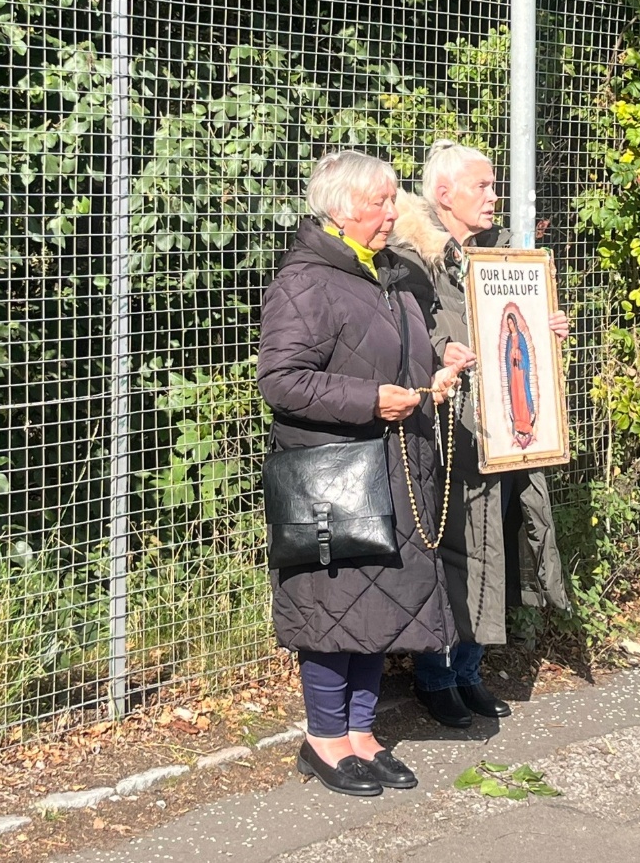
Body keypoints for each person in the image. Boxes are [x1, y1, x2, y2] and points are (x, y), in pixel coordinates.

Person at [257, 150, 467, 795]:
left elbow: (393, 349)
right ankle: (324, 740)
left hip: (397, 465)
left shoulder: (389, 274)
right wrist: (369, 400)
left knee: (383, 603)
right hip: (339, 475)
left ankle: (363, 734)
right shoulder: (305, 281)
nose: (393, 211)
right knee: (334, 606)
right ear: (345, 207)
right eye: (382, 200)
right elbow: (281, 380)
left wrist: (440, 356)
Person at [387, 139, 571, 729]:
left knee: (494, 542)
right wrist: (442, 350)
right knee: (453, 546)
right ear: (445, 195)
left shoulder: (500, 260)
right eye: (484, 186)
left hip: (502, 424)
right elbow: (404, 334)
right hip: (446, 426)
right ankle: (435, 676)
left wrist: (548, 327)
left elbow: (514, 337)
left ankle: (469, 672)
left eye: (495, 185)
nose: (495, 196)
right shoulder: (414, 260)